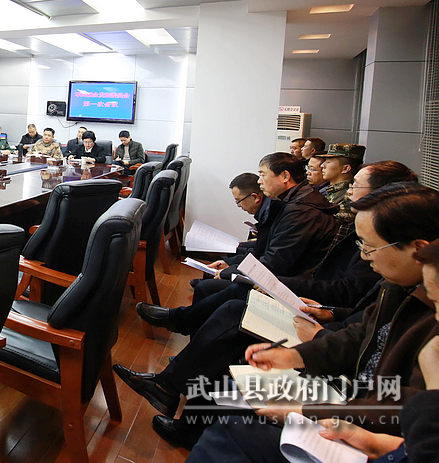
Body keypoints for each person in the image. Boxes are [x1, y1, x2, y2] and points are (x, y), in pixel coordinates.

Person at [120, 163, 415, 447]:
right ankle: (176, 391)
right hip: (325, 316)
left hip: (334, 349)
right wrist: (329, 313)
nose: (348, 189)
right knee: (233, 312)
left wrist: (320, 325)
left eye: (356, 185)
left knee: (235, 316)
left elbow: (352, 302)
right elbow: (360, 312)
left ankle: (175, 388)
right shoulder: (380, 254)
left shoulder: (314, 214)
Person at [181, 184, 439, 463]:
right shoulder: (400, 285)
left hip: (364, 418)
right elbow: (361, 335)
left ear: (417, 249)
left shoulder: (429, 310)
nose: (364, 256)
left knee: (231, 430)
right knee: (231, 391)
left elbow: (406, 409)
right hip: (351, 398)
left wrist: (308, 410)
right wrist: (294, 356)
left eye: (370, 247)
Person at [207, 152, 339, 278]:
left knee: (208, 287)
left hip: (293, 281)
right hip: (287, 276)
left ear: (285, 177)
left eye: (263, 175)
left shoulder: (301, 211)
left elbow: (276, 262)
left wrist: (230, 272)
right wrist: (231, 266)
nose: (259, 181)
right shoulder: (294, 200)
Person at [317, 143, 365, 222]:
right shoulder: (331, 190)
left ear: (345, 168)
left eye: (328, 162)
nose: (322, 165)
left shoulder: (349, 197)